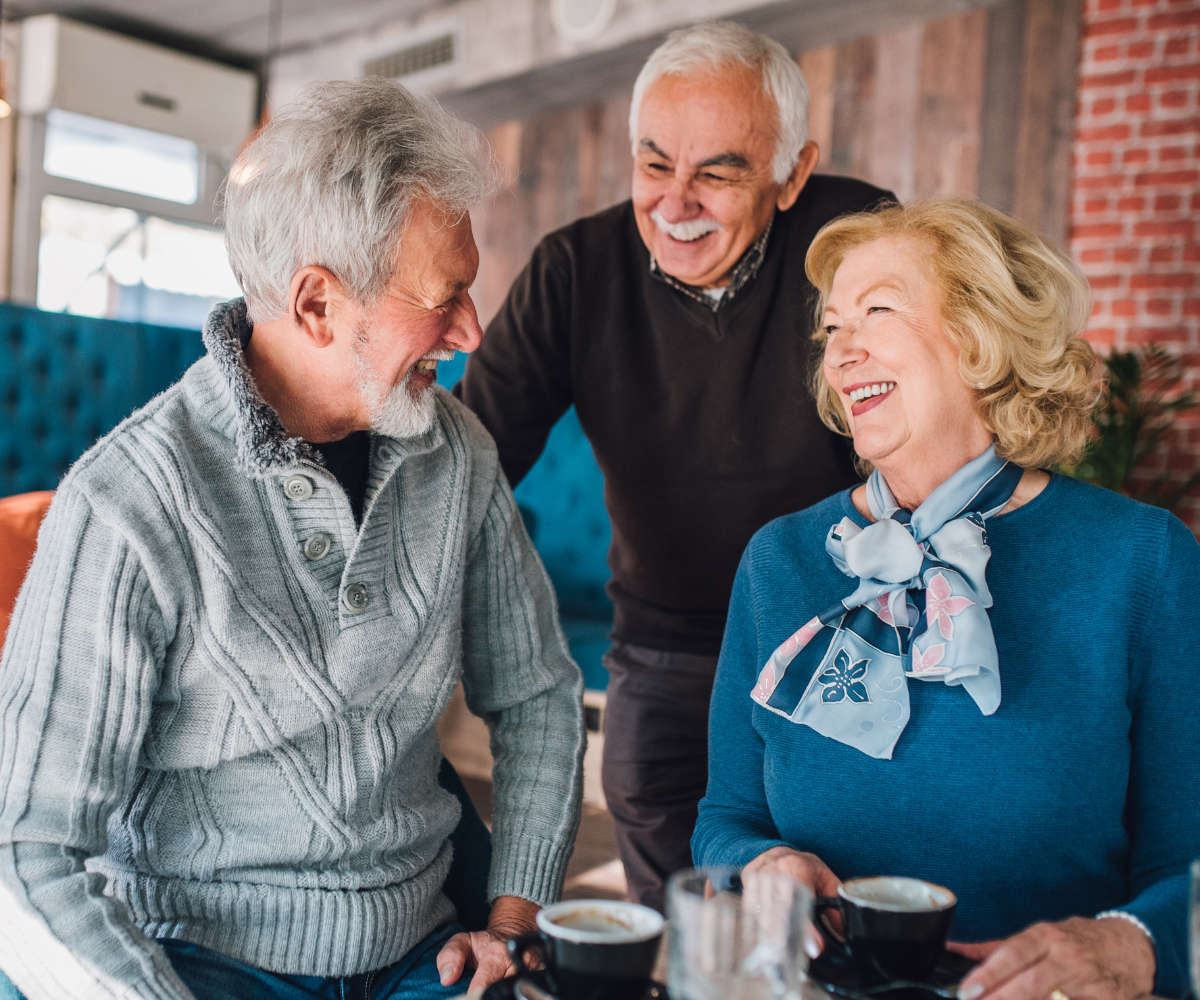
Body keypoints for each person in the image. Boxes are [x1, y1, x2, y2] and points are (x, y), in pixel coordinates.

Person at [0, 79, 585, 1000]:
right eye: (446, 296)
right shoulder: (128, 507)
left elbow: (541, 696)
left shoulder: (457, 455)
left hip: (424, 954)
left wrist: (513, 928)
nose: (471, 331)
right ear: (316, 304)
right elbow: (27, 853)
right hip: (195, 962)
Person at [691, 197, 1200, 999]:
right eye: (832, 328)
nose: (840, 350)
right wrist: (763, 863)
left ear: (980, 334)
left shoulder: (1144, 560)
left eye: (878, 310)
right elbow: (725, 818)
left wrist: (1126, 947)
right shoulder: (779, 561)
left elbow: (1188, 864)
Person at [455, 20, 892, 912]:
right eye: (654, 164)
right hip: (662, 641)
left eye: (719, 171)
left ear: (791, 175)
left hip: (840, 629)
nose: (675, 202)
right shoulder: (574, 271)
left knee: (825, 900)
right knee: (679, 908)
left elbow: (916, 440)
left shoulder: (862, 245)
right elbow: (469, 459)